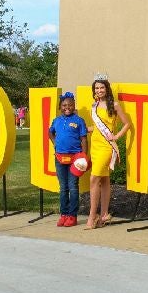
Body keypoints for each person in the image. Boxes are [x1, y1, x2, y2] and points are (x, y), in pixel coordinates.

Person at [86, 76, 132, 229]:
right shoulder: (94, 105)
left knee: (94, 179)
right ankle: (104, 215)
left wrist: (116, 136)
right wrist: (85, 129)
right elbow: (97, 127)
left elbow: (127, 124)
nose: (99, 90)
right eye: (96, 88)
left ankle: (92, 217)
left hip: (107, 146)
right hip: (95, 145)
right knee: (104, 180)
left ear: (107, 89)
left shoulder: (115, 105)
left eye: (101, 87)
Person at [48, 92, 88, 227]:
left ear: (74, 106)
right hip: (60, 159)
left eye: (70, 105)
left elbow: (83, 139)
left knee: (73, 187)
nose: (67, 107)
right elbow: (50, 132)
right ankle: (64, 214)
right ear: (60, 107)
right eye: (64, 105)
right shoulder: (56, 120)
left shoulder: (79, 121)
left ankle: (72, 215)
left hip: (75, 159)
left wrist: (84, 156)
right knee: (63, 188)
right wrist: (55, 143)